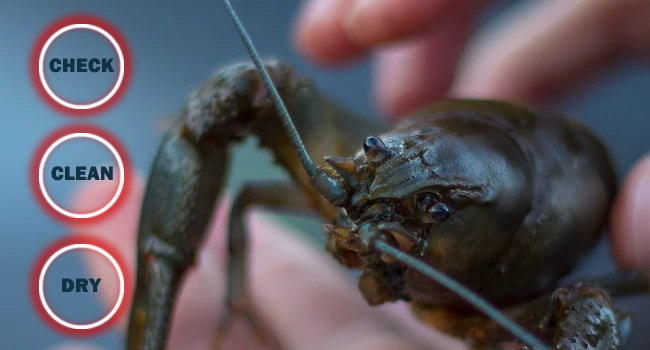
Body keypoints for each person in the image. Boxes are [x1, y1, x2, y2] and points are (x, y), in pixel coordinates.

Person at [52, 0, 650, 349]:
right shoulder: (371, 176)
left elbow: (590, 317)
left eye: (433, 213)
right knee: (248, 87)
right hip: (467, 132)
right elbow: (248, 93)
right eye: (374, 153)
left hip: (561, 196)